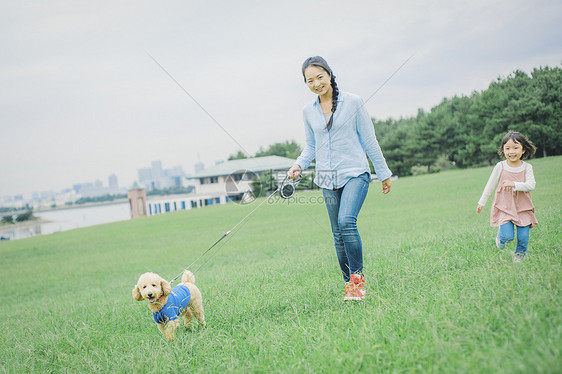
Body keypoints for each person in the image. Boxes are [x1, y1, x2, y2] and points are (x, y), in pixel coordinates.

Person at [287, 56, 393, 301]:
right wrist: (298, 165)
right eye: (309, 80)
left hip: (355, 172)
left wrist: (383, 173)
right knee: (337, 235)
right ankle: (349, 286)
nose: (316, 84)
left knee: (347, 222)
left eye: (319, 77)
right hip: (326, 178)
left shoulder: (353, 102)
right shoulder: (308, 111)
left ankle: (357, 281)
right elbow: (311, 145)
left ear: (330, 74)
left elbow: (369, 140)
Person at [476, 130, 538, 262]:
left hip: (523, 207)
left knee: (523, 238)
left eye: (516, 148)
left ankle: (519, 259)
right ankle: (500, 237)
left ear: (523, 150)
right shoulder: (500, 166)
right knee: (508, 236)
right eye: (507, 148)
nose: (511, 152)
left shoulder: (527, 167)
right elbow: (490, 185)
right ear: (503, 150)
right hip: (505, 206)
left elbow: (531, 185)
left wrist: (514, 184)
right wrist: (481, 202)